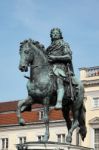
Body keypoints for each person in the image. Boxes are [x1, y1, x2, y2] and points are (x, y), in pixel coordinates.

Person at [46, 28, 76, 109]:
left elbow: (68, 57)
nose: (55, 34)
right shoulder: (49, 48)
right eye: (53, 33)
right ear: (51, 36)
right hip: (50, 68)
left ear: (60, 35)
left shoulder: (64, 44)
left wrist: (55, 58)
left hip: (61, 67)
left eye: (57, 33)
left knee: (59, 78)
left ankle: (59, 102)